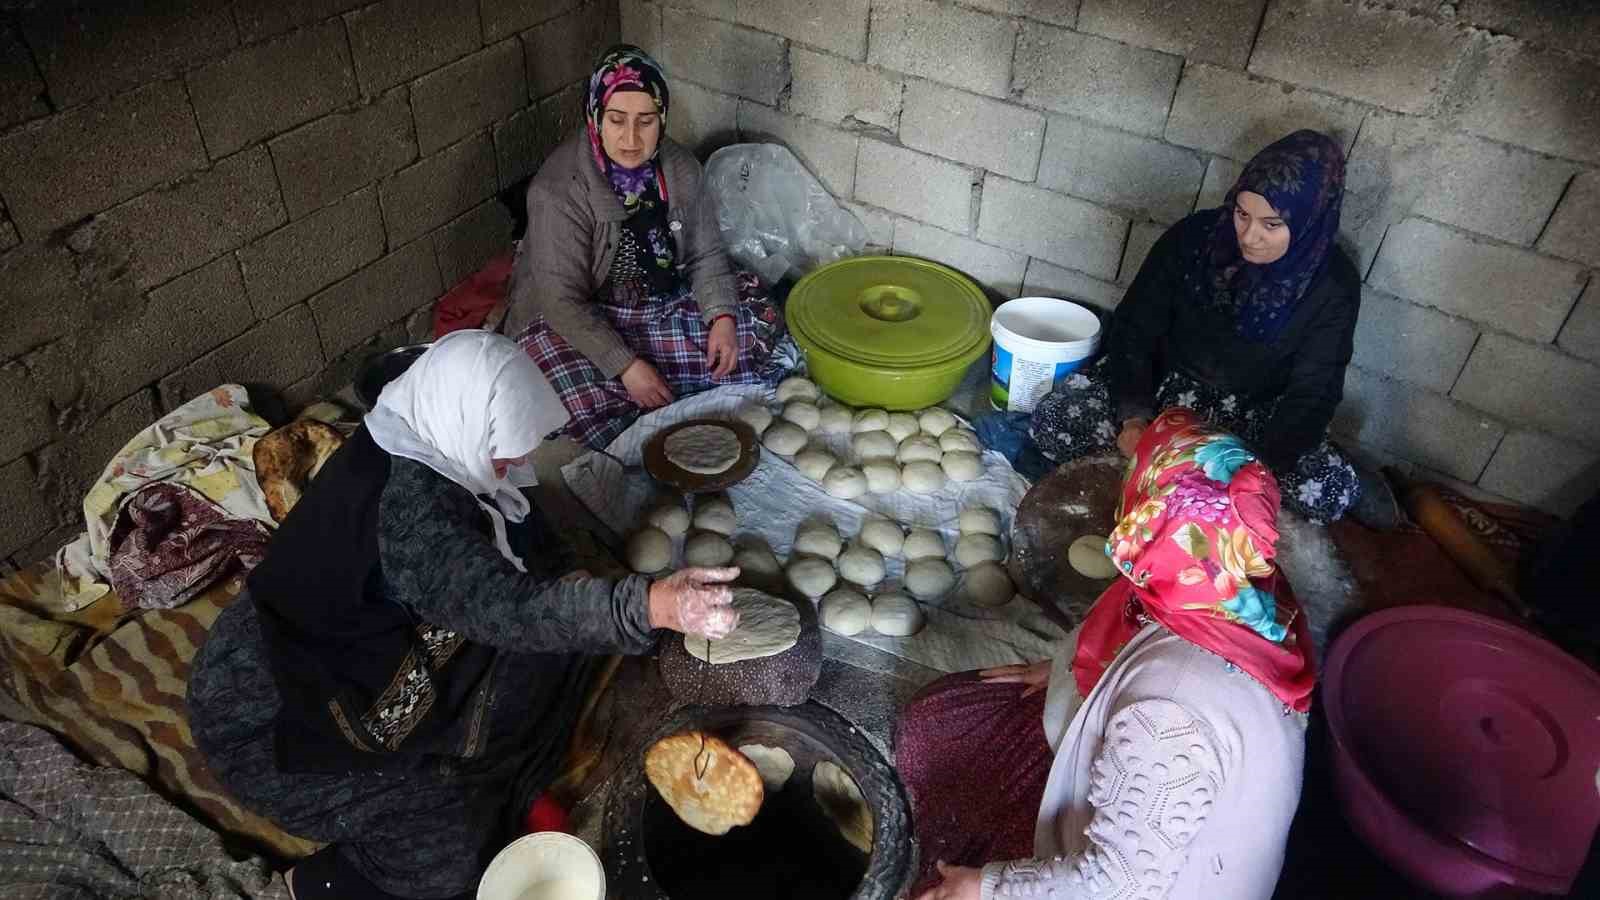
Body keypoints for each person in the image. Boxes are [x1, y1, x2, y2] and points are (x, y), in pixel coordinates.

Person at [187, 331, 742, 900]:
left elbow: (525, 542)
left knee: (557, 656)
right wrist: (650, 605)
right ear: (466, 419)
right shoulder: (412, 519)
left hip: (341, 642)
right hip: (275, 721)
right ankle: (319, 883)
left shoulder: (427, 428)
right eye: (508, 446)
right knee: (449, 849)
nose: (521, 459)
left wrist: (579, 585)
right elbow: (513, 610)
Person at [896, 408, 1316, 900]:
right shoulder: (1234, 577)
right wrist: (1070, 673)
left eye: (1136, 480)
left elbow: (1120, 884)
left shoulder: (1167, 714)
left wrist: (985, 887)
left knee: (957, 820)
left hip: (1150, 882)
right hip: (1166, 811)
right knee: (941, 716)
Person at [1029, 129, 1396, 526]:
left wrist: (1250, 469)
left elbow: (1314, 391)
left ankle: (1196, 479)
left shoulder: (1332, 285)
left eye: (1271, 224)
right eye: (1242, 214)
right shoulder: (1192, 240)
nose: (1250, 236)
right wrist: (1134, 418)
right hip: (1166, 390)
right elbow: (1135, 328)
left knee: (1327, 492)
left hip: (1253, 417)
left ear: (1310, 220)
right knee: (1054, 418)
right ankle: (1171, 475)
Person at [505, 44, 784, 449]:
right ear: (596, 117)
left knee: (755, 314)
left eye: (646, 121)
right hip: (587, 319)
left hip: (663, 306)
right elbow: (563, 302)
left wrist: (721, 317)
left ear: (662, 119)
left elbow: (705, 255)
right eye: (617, 120)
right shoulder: (559, 189)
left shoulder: (681, 169)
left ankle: (656, 395)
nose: (631, 138)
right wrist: (626, 367)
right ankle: (651, 392)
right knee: (538, 378)